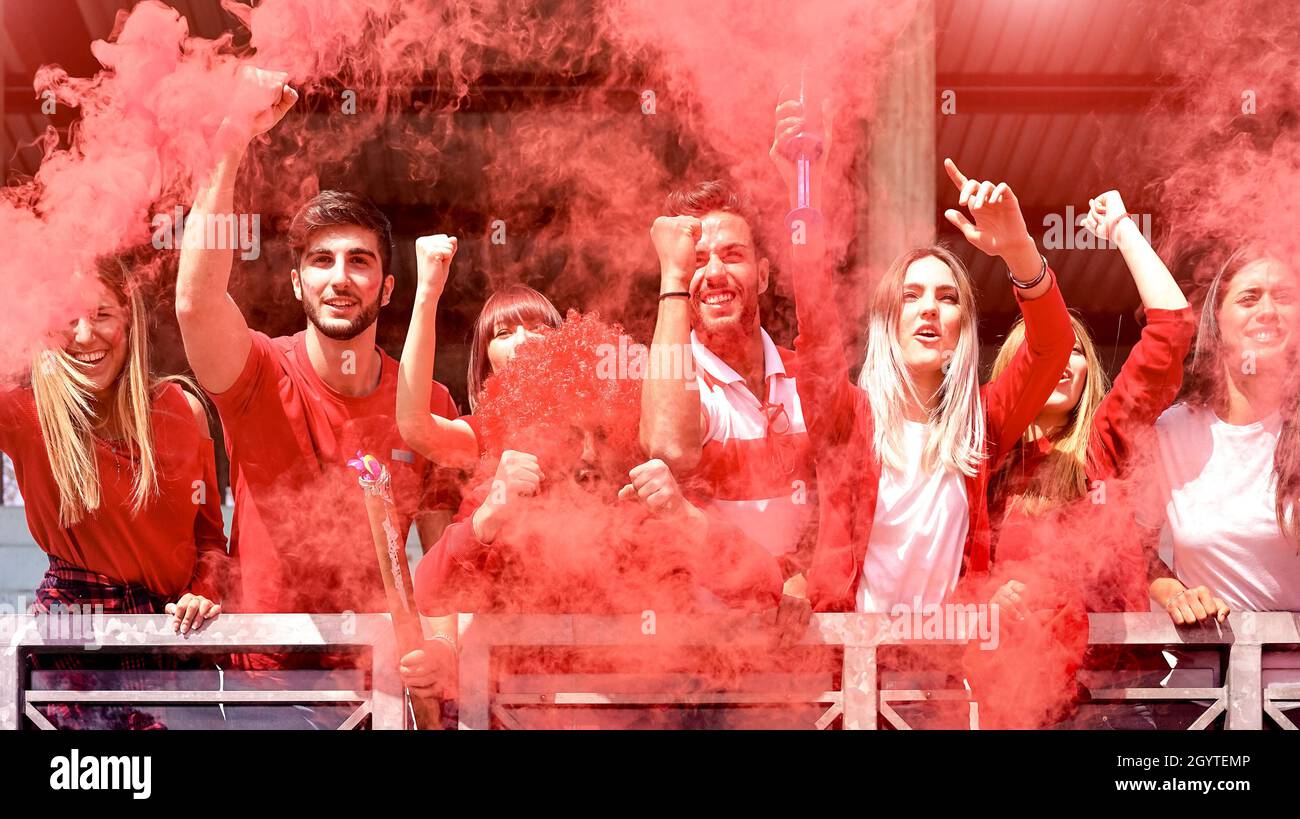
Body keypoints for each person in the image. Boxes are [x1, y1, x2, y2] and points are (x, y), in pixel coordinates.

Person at [174, 68, 460, 704]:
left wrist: (442, 647)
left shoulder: (429, 403)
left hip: (378, 690)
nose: (341, 277)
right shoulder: (257, 373)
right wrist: (230, 143)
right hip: (262, 692)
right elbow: (195, 304)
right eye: (321, 261)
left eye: (360, 261)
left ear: (387, 288)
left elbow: (445, 564)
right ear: (298, 284)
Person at [769, 97, 1074, 615]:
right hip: (851, 679)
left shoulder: (980, 425)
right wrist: (805, 189)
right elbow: (816, 329)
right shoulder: (847, 418)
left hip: (941, 682)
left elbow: (1050, 349)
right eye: (911, 296)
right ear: (888, 322)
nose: (929, 308)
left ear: (963, 330)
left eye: (947, 297)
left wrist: (1019, 249)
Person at [975, 189, 1194, 728]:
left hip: (1119, 697)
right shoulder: (981, 457)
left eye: (1077, 351)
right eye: (1049, 349)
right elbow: (947, 568)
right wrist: (986, 593)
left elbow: (1171, 331)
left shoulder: (1104, 440)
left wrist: (1122, 229)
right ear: (1016, 366)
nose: (1064, 362)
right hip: (1018, 697)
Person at [0, 253, 228, 728]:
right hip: (69, 643)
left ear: (130, 321)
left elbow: (209, 541)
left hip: (173, 641)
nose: (85, 335)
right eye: (68, 319)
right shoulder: (25, 413)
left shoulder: (184, 409)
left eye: (102, 314)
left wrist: (203, 593)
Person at [639, 183, 816, 598]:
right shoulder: (678, 383)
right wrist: (673, 277)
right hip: (707, 646)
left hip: (805, 638)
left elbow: (843, 501)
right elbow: (670, 449)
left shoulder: (807, 376)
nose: (715, 273)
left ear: (764, 275)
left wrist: (804, 580)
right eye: (697, 261)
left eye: (733, 255)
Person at [1142, 246, 1300, 623]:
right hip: (1207, 674)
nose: (1267, 311)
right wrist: (1174, 592)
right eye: (1249, 298)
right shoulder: (1171, 432)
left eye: (1283, 298)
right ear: (1217, 316)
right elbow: (1131, 551)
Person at [396, 233, 562, 469]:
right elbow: (415, 426)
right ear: (486, 364)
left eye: (537, 328)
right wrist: (427, 294)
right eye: (504, 333)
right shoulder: (484, 435)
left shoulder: (597, 420)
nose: (523, 341)